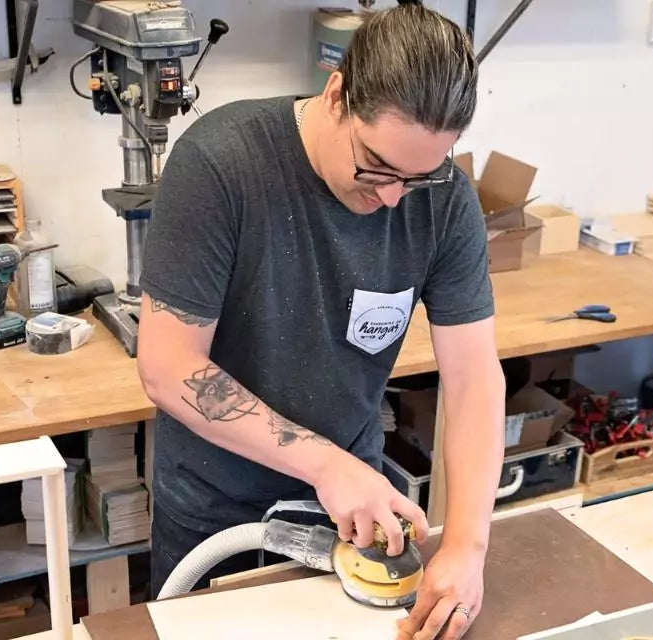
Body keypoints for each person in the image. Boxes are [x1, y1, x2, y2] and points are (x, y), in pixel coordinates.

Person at [136, 4, 506, 639]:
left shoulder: (442, 197)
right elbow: (169, 367)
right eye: (378, 167)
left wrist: (468, 547)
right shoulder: (221, 164)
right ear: (336, 95)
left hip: (350, 517)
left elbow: (474, 378)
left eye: (416, 178)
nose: (392, 196)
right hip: (214, 511)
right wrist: (328, 465)